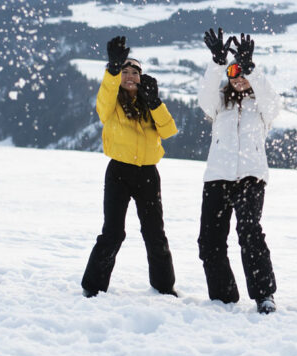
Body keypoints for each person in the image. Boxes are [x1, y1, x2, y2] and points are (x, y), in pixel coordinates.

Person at [81, 36, 179, 298]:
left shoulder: (150, 103)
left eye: (134, 72)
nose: (129, 76)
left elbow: (169, 131)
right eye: (124, 72)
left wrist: (155, 103)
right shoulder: (111, 104)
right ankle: (92, 286)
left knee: (154, 233)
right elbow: (102, 101)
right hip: (119, 173)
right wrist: (111, 71)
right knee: (113, 232)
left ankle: (164, 286)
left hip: (148, 174)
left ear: (141, 77)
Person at [197, 28, 280, 314]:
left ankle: (264, 294)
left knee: (249, 232)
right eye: (235, 73)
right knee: (210, 239)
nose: (240, 78)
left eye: (244, 72)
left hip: (250, 177)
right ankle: (224, 294)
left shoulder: (261, 107)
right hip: (218, 177)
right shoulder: (219, 104)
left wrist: (253, 69)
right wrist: (217, 63)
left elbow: (273, 101)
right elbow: (204, 97)